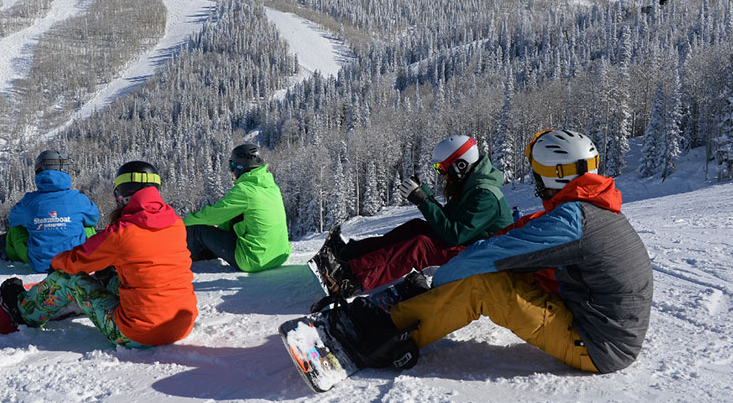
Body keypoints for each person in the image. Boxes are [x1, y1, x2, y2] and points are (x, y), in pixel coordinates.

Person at [335, 129, 653, 374]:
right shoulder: (591, 209)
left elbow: (492, 252)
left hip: (598, 345)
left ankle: (390, 334)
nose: (535, 180)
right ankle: (403, 307)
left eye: (537, 172)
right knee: (503, 271)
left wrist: (440, 283)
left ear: (556, 175)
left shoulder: (572, 222)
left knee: (484, 287)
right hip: (596, 321)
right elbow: (515, 233)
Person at [0, 161, 198, 348]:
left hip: (136, 334)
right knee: (118, 277)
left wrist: (56, 264)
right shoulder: (176, 224)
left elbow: (75, 261)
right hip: (181, 326)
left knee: (70, 279)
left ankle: (25, 311)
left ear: (122, 194)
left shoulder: (121, 232)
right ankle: (102, 287)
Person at [313, 135, 512, 298]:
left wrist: (424, 202)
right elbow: (447, 219)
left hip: (483, 257)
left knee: (419, 247)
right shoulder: (471, 187)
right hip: (471, 245)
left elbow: (455, 235)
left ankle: (348, 278)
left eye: (442, 168)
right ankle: (351, 253)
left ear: (460, 166)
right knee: (416, 227)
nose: (441, 174)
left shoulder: (486, 196)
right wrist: (425, 197)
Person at [184, 143, 291, 272]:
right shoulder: (271, 187)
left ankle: (184, 258)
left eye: (232, 166)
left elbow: (211, 216)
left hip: (254, 260)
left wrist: (181, 222)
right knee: (238, 217)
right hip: (279, 256)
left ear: (240, 167)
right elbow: (232, 218)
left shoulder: (244, 190)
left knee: (197, 229)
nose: (232, 171)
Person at [4, 149, 100, 272]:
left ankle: (12, 257)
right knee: (87, 226)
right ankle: (90, 255)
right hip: (73, 261)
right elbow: (93, 218)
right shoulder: (78, 199)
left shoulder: (28, 202)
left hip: (39, 263)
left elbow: (12, 220)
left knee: (15, 231)